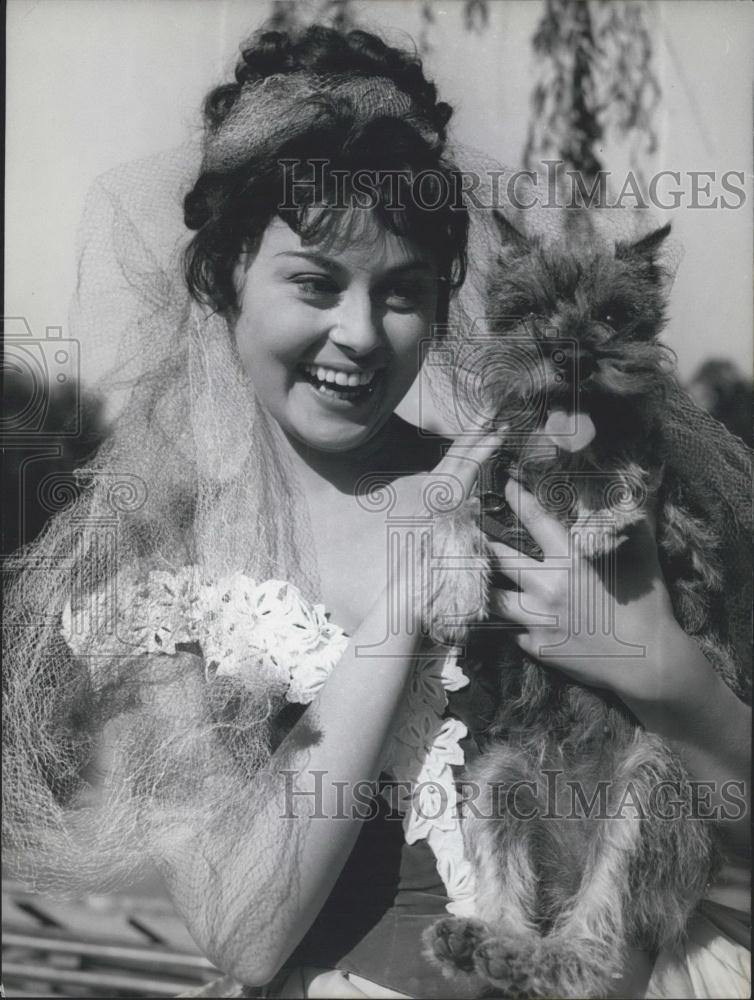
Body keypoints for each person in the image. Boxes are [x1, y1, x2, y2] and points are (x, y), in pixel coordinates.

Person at [3, 23, 750, 1000]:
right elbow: (245, 932)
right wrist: (397, 608)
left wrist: (661, 667)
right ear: (226, 272)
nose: (357, 335)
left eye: (400, 293)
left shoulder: (533, 498)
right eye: (314, 282)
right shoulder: (166, 580)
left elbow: (717, 801)